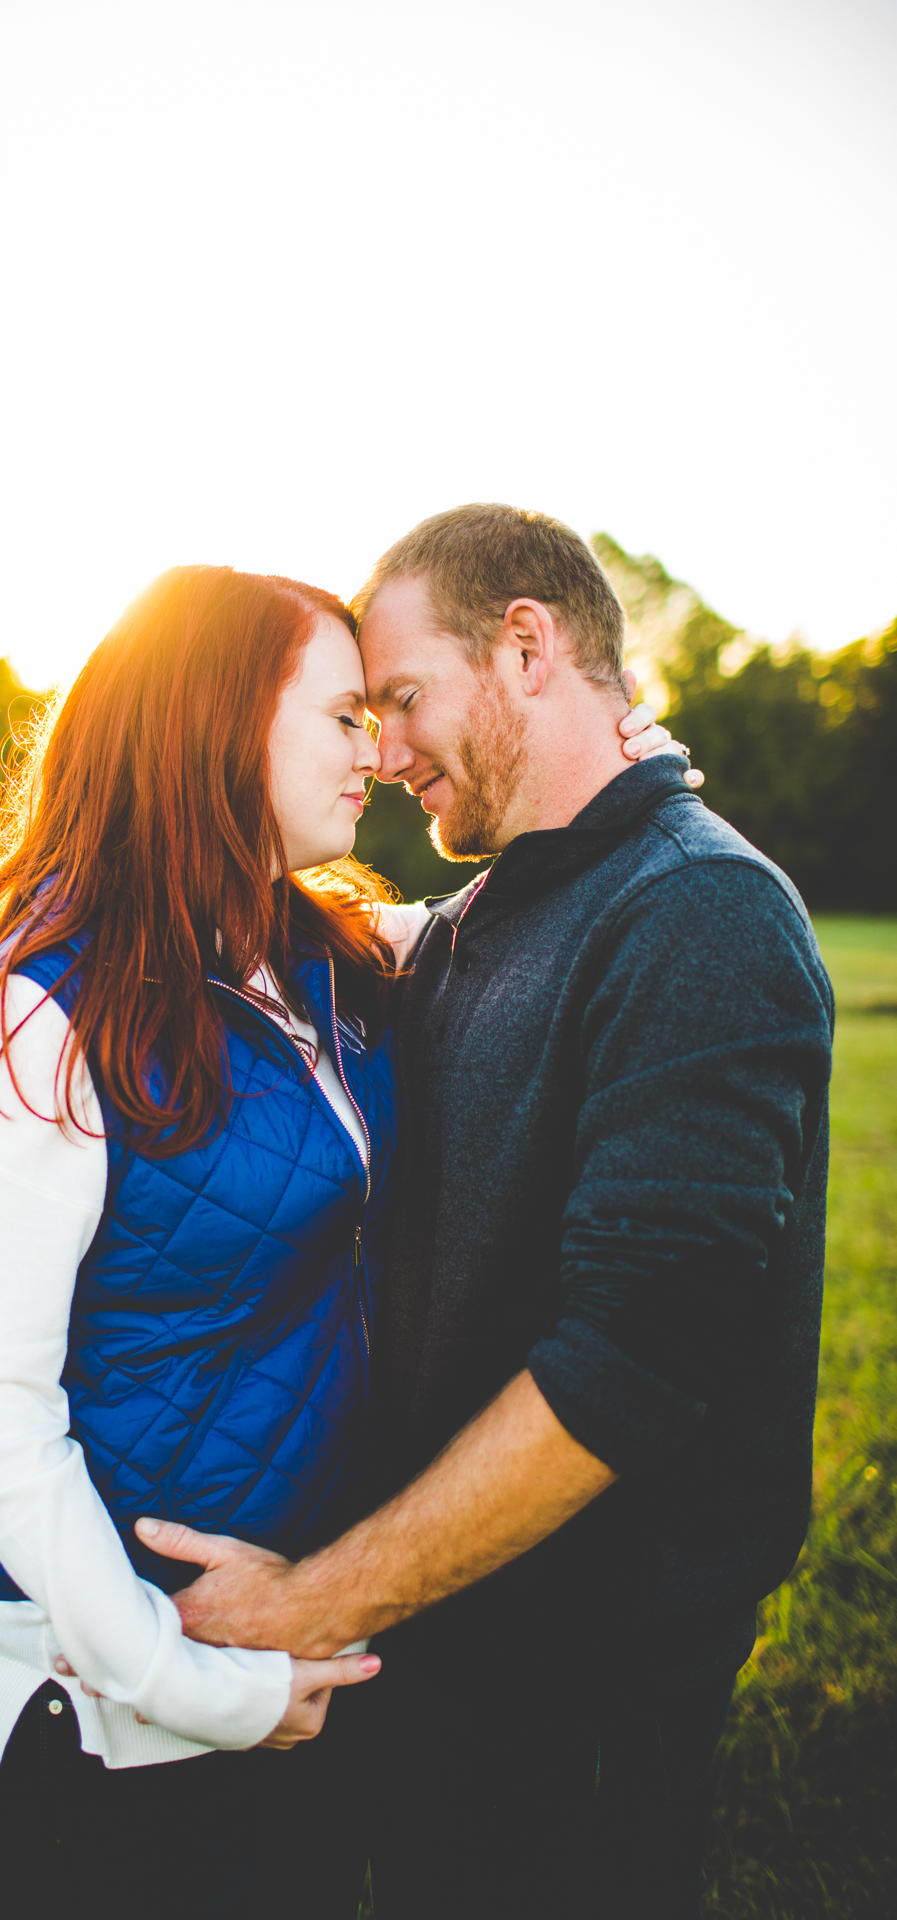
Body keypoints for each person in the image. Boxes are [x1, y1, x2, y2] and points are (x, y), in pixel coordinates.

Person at [0, 558, 675, 1919]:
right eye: (342, 719)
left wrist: (633, 758)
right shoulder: (41, 1015)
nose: (382, 755)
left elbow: (528, 915)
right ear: (212, 726)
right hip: (108, 1704)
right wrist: (182, 1677)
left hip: (309, 1660)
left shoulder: (320, 954)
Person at [139, 506, 835, 1919]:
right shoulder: (498, 909)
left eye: (400, 700)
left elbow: (629, 1370)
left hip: (586, 1670)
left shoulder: (700, 916)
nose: (384, 754)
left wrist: (315, 1604)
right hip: (452, 1638)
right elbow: (358, 940)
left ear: (528, 645)